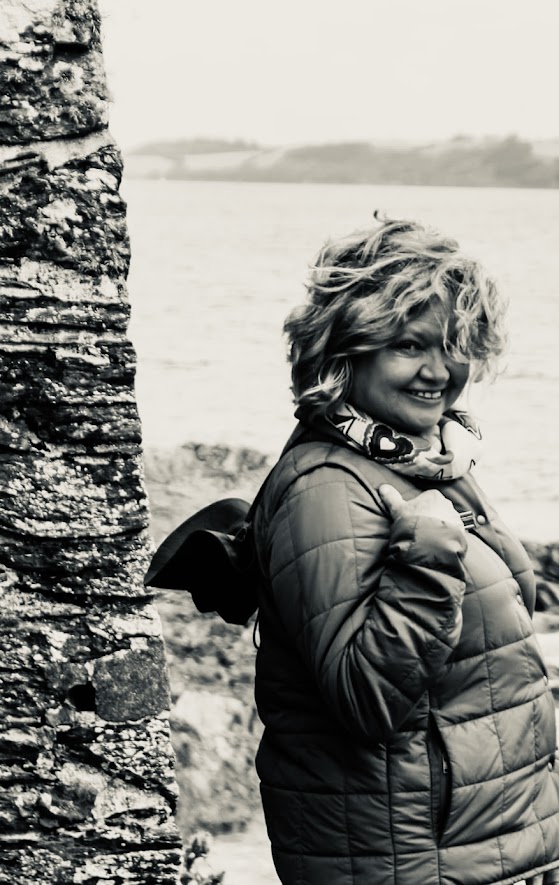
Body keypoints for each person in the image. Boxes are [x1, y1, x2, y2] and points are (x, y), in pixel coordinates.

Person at [252, 216, 559, 885]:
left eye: (453, 345)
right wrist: (425, 561)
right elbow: (366, 699)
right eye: (407, 346)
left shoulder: (428, 459)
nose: (437, 371)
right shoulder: (325, 488)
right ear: (346, 351)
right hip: (411, 865)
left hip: (485, 854)